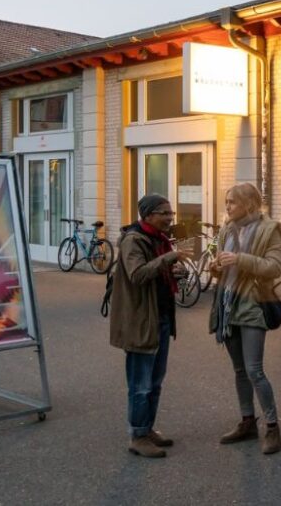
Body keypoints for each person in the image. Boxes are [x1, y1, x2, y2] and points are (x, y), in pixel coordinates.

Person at [109, 194, 192, 458]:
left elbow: (157, 273)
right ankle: (137, 435)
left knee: (155, 381)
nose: (169, 218)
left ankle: (147, 428)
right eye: (164, 213)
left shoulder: (159, 240)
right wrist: (169, 259)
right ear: (147, 215)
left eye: (171, 213)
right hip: (142, 321)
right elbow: (138, 274)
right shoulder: (134, 240)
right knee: (141, 383)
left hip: (161, 317)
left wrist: (175, 271)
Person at [213, 183, 281, 456]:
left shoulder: (270, 230)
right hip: (228, 305)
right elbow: (220, 264)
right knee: (239, 371)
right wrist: (216, 266)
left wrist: (239, 259)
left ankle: (272, 427)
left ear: (248, 204)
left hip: (254, 305)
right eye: (226, 202)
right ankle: (247, 422)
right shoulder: (226, 229)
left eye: (232, 202)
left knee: (254, 370)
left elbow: (274, 267)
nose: (228, 207)